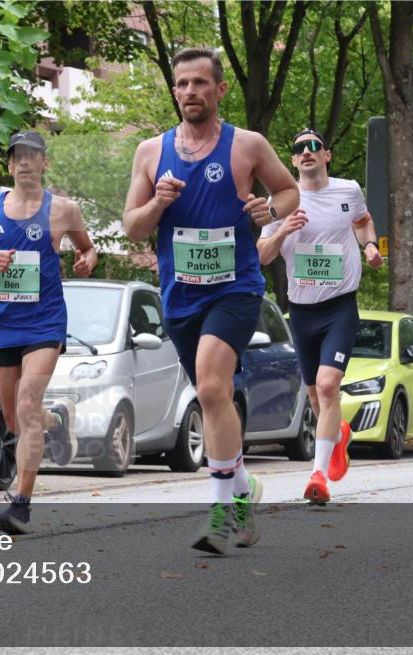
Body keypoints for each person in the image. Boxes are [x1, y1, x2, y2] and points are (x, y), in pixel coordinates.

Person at [123, 47, 300, 555]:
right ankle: (244, 489)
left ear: (220, 90)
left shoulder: (246, 146)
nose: (189, 92)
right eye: (182, 84)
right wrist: (157, 201)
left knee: (211, 382)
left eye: (200, 83)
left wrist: (269, 208)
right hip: (180, 297)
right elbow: (132, 227)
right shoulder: (151, 152)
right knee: (211, 395)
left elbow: (288, 192)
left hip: (235, 287)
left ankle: (221, 512)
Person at [0, 130, 98, 535]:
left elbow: (88, 248)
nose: (23, 162)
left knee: (25, 402)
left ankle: (21, 502)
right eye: (17, 156)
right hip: (4, 324)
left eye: (31, 155)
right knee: (15, 418)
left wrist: (85, 260)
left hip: (45, 322)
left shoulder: (64, 210)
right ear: (8, 165)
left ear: (44, 163)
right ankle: (55, 421)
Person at [258, 128, 384, 504]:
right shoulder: (280, 201)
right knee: (315, 395)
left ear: (326, 155)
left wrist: (371, 246)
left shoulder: (348, 190)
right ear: (294, 160)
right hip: (301, 311)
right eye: (300, 148)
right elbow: (264, 254)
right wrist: (283, 230)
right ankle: (338, 436)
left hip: (340, 305)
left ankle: (317, 476)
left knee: (329, 386)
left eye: (315, 146)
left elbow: (362, 221)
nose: (308, 151)